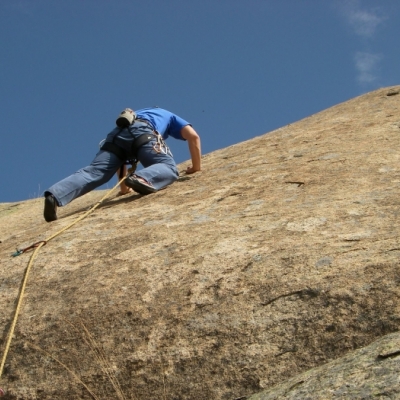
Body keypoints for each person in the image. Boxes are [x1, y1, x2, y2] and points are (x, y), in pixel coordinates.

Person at [43, 107, 201, 222]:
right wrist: (195, 168)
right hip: (144, 133)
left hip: (115, 136)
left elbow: (120, 159)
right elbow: (193, 137)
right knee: (168, 167)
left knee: (94, 172)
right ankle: (143, 178)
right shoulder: (170, 116)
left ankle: (55, 195)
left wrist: (125, 189)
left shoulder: (136, 114)